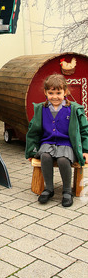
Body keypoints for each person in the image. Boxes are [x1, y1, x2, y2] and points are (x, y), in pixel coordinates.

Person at [25, 74, 88, 207]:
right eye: (51, 93)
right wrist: (31, 152)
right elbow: (33, 132)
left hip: (66, 144)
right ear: (45, 93)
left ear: (65, 92)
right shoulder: (41, 109)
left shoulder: (74, 109)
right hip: (47, 143)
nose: (55, 96)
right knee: (45, 157)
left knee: (63, 159)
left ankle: (66, 191)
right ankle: (49, 189)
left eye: (58, 93)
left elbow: (84, 131)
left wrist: (86, 150)